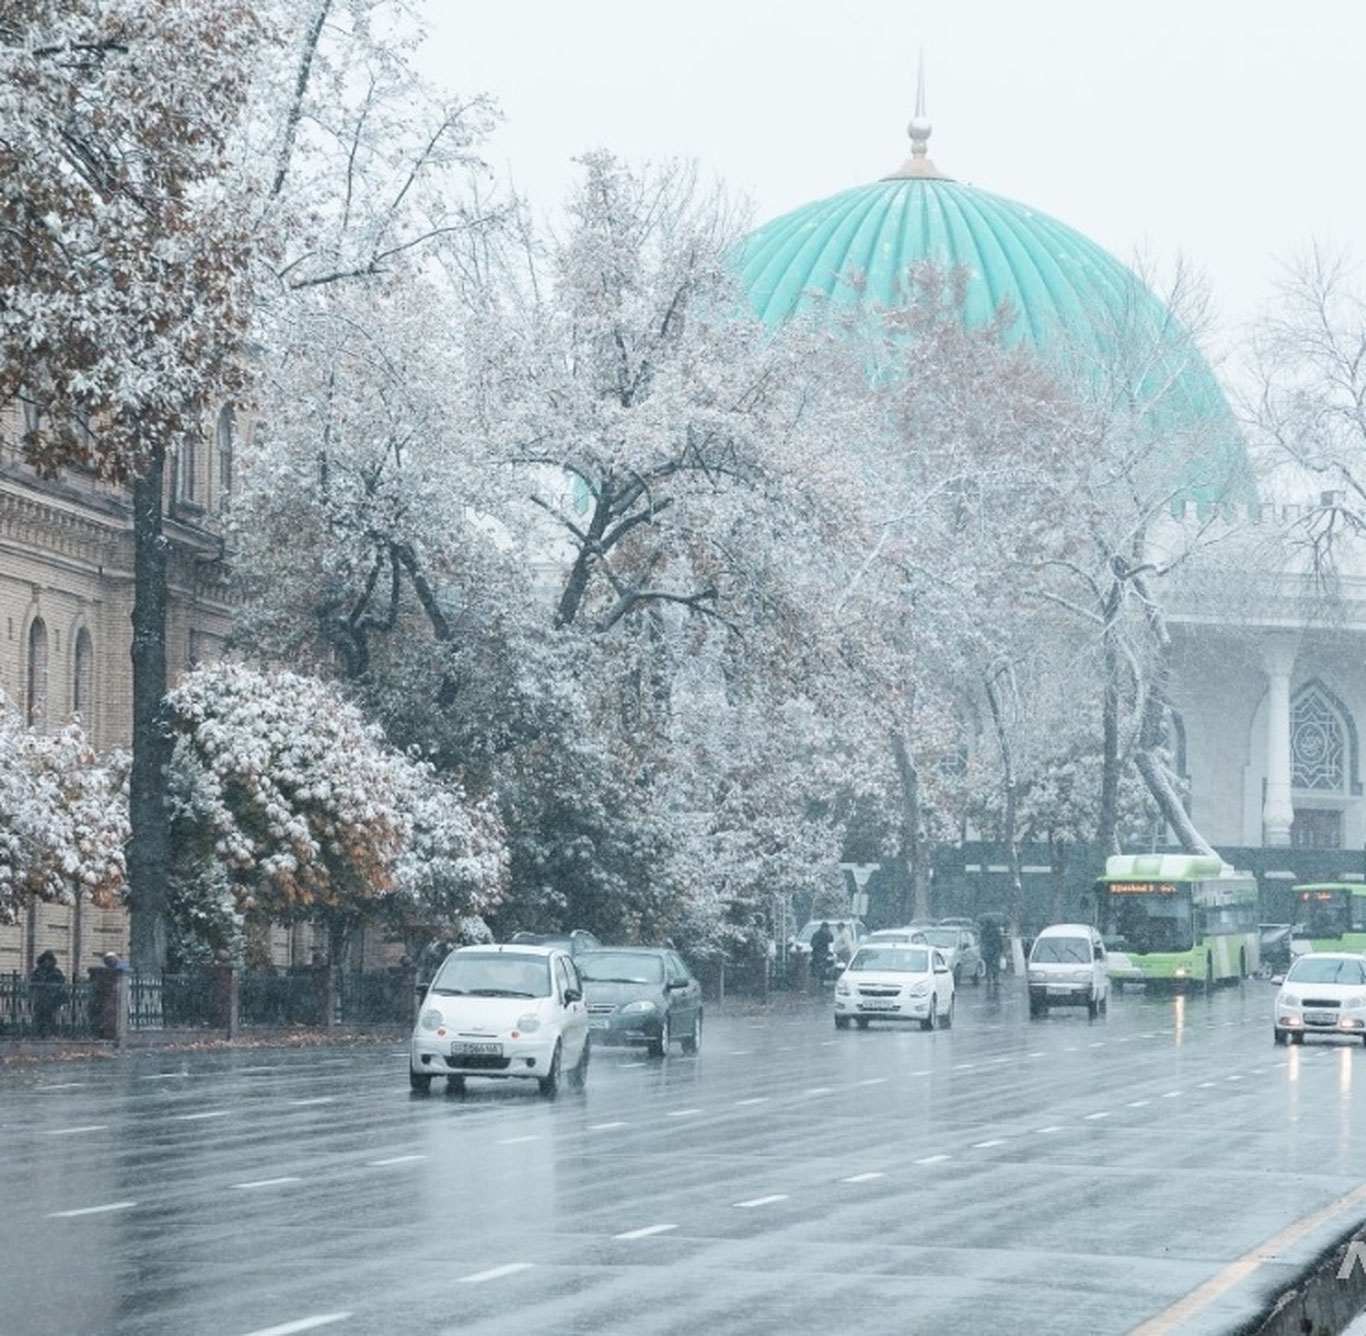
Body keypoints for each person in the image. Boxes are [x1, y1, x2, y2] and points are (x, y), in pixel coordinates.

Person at [30, 949, 65, 1038]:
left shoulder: (55, 972)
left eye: (49, 960)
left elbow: (61, 984)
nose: (47, 962)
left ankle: (48, 1033)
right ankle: (38, 1033)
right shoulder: (38, 971)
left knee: (49, 1017)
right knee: (39, 1017)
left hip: (51, 999)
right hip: (41, 998)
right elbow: (32, 983)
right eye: (45, 960)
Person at [979, 917, 1003, 996]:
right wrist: (1000, 948)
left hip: (987, 950)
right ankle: (995, 979)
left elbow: (982, 940)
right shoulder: (996, 931)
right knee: (995, 965)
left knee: (988, 965)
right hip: (995, 950)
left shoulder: (983, 931)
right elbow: (999, 941)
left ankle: (988, 979)